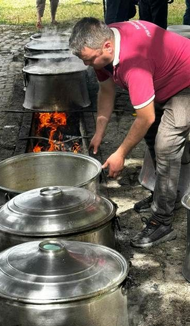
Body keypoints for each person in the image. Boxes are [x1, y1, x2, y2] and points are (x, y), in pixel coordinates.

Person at [69, 17, 190, 248]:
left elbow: (146, 116)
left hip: (187, 84)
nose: (88, 65)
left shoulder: (133, 62)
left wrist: (120, 153)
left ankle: (162, 222)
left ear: (107, 47)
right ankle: (166, 195)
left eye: (89, 60)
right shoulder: (106, 41)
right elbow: (105, 90)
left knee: (165, 145)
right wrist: (99, 131)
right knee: (150, 134)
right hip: (164, 78)